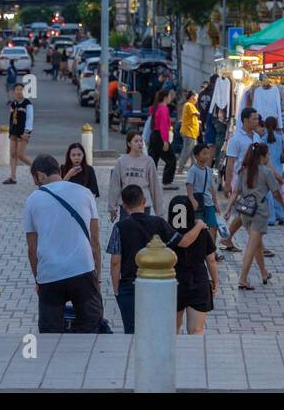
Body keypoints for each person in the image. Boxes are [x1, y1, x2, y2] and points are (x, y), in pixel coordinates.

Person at [23, 154, 104, 334]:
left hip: (50, 273)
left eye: (35, 179)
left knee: (50, 332)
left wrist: (38, 278)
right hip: (82, 269)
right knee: (90, 328)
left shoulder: (32, 200)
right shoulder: (85, 193)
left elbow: (31, 248)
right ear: (59, 171)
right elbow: (95, 241)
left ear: (40, 175)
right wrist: (97, 275)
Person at [108, 185, 203, 332]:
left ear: (124, 206)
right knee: (155, 328)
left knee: (132, 330)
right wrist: (199, 226)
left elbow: (115, 262)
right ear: (144, 201)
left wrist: (117, 290)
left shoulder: (119, 227)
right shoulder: (159, 223)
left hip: (129, 285)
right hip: (157, 284)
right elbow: (184, 242)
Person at [169, 194, 219, 334]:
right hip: (198, 281)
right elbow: (211, 260)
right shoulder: (202, 232)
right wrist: (215, 281)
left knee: (172, 330)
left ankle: (173, 355)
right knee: (196, 330)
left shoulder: (167, 231)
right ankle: (194, 356)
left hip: (173, 282)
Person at [235, 143, 280, 290]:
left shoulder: (243, 170)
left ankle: (264, 273)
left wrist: (229, 208)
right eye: (267, 154)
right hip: (259, 212)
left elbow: (237, 191)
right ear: (262, 156)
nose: (269, 157)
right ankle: (242, 278)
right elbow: (275, 192)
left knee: (257, 244)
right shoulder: (266, 172)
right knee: (252, 245)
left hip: (245, 212)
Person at [220, 107, 264, 253]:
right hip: (240, 181)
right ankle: (257, 245)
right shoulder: (236, 139)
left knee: (246, 211)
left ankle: (228, 238)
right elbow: (230, 163)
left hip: (254, 181)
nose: (257, 121)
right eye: (254, 118)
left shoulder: (257, 137)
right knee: (246, 211)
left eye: (257, 118)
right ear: (245, 120)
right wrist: (227, 183)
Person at [108, 130, 165, 220]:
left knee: (144, 232)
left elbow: (155, 187)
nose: (140, 144)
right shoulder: (121, 161)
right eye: (136, 141)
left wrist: (160, 212)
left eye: (141, 141)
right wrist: (112, 208)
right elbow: (115, 185)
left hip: (143, 205)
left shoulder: (149, 161)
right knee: (127, 232)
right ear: (129, 144)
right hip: (126, 205)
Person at [185, 142, 221, 257]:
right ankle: (198, 250)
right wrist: (191, 199)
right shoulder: (193, 170)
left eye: (208, 153)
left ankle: (211, 250)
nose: (207, 156)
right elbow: (189, 185)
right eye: (204, 153)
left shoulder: (208, 171)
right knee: (198, 227)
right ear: (196, 156)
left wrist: (215, 203)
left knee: (213, 226)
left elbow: (212, 188)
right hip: (198, 202)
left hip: (208, 202)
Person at [3, 82, 34, 185]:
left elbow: (30, 118)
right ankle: (13, 177)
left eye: (21, 89)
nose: (19, 92)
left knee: (20, 155)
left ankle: (38, 169)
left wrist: (27, 131)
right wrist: (10, 130)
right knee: (13, 154)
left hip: (23, 132)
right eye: (17, 90)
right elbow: (11, 118)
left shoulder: (27, 104)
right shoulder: (13, 104)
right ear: (13, 92)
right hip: (14, 131)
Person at [262, 115, 284, 225]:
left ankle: (271, 218)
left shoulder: (262, 139)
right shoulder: (281, 138)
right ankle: (281, 216)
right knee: (277, 193)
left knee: (269, 195)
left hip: (267, 169)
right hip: (278, 169)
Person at [150, 88, 179, 188]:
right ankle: (167, 182)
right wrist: (165, 141)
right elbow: (163, 126)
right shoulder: (163, 108)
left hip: (154, 135)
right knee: (171, 159)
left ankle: (149, 181)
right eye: (170, 96)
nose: (171, 98)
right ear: (166, 97)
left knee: (153, 160)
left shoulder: (156, 107)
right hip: (160, 136)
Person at [177, 90, 200, 178]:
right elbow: (196, 113)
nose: (196, 100)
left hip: (192, 132)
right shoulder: (189, 105)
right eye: (196, 97)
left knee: (193, 152)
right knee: (186, 151)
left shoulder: (190, 105)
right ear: (192, 97)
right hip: (189, 132)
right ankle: (180, 168)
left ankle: (194, 169)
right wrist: (198, 113)